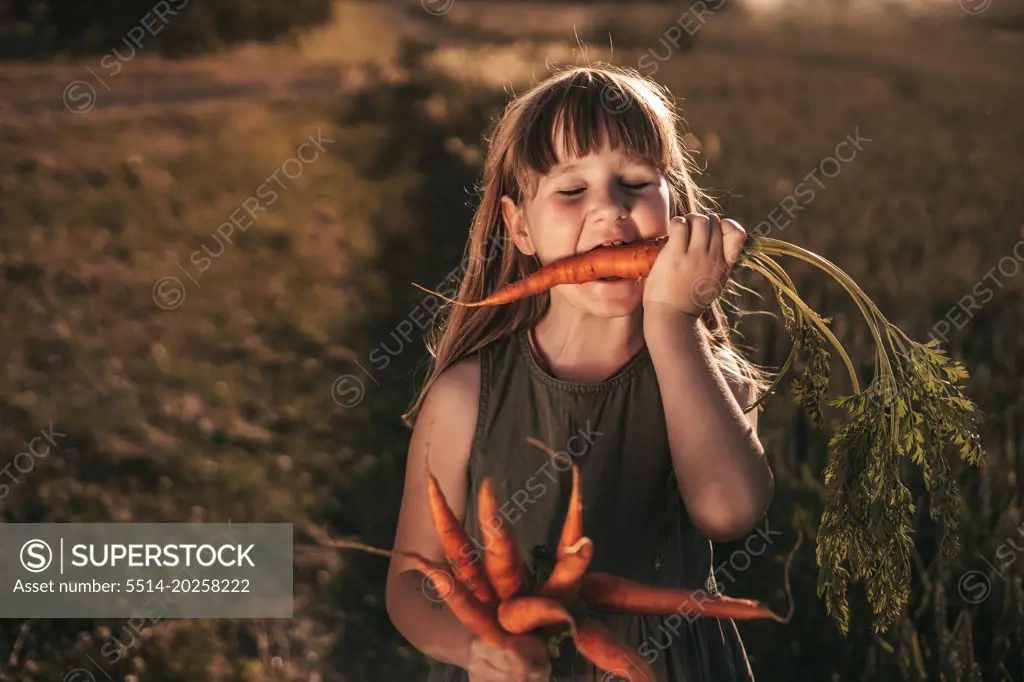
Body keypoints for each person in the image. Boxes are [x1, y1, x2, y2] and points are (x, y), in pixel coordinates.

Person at [385, 63, 776, 682]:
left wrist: (673, 324)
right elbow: (411, 580)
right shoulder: (465, 396)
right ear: (520, 227)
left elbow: (729, 512)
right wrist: (470, 649)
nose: (609, 212)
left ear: (676, 209)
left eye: (635, 183)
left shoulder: (703, 376)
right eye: (572, 191)